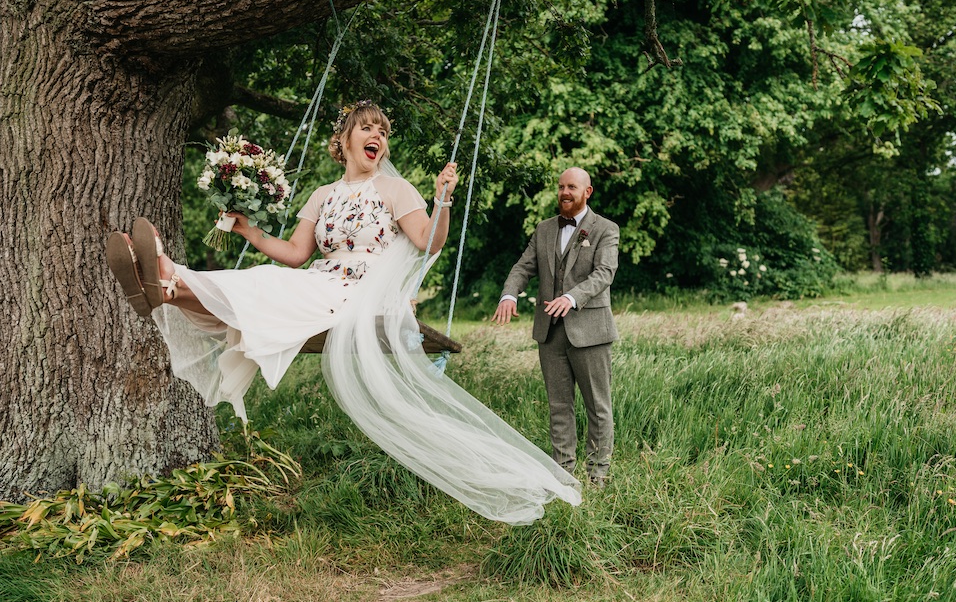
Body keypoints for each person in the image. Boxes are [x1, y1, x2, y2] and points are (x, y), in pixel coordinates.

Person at [105, 101, 581, 524]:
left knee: (268, 288)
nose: (378, 136)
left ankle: (169, 278)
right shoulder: (323, 195)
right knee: (266, 278)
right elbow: (294, 252)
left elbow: (429, 242)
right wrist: (249, 232)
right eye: (368, 128)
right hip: (323, 280)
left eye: (383, 131)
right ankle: (166, 287)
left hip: (365, 293)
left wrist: (442, 199)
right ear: (345, 140)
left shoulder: (396, 191)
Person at [491, 167, 619, 488]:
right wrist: (510, 294)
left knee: (597, 407)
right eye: (561, 186)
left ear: (587, 192)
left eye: (572, 187)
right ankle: (564, 473)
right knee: (559, 405)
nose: (564, 192)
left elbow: (603, 274)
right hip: (549, 333)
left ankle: (598, 475)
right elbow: (524, 266)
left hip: (590, 332)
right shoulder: (544, 229)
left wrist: (572, 298)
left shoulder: (605, 229)